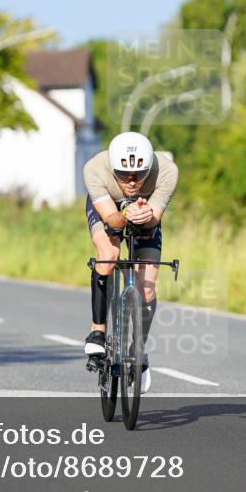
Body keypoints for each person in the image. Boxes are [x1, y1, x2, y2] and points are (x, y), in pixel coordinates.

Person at [83, 132, 178, 393]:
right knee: (109, 254)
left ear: (150, 167)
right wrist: (125, 212)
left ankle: (139, 350)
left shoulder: (167, 171)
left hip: (145, 213)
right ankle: (98, 331)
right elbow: (111, 219)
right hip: (109, 208)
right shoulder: (95, 168)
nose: (133, 181)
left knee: (146, 287)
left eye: (140, 173)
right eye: (124, 174)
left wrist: (145, 216)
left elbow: (154, 218)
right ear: (113, 168)